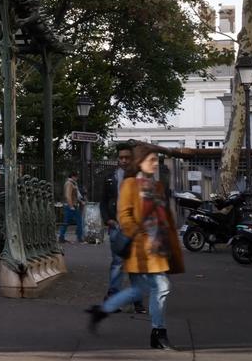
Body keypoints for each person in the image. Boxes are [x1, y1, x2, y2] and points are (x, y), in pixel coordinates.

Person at [87, 146, 185, 350]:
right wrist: (143, 236)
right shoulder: (130, 185)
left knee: (139, 289)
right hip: (141, 249)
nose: (155, 163)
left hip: (158, 248)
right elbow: (125, 216)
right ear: (140, 162)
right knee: (161, 286)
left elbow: (163, 217)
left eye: (157, 160)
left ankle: (103, 309)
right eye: (151, 159)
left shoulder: (157, 186)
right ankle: (158, 333)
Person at [101, 144, 146, 314]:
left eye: (127, 157)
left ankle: (137, 302)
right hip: (117, 227)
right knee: (118, 264)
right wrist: (108, 220)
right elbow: (103, 202)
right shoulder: (110, 177)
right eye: (121, 158)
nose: (124, 160)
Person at [58, 171, 84, 243]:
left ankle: (61, 236)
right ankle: (79, 237)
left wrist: (80, 201)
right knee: (78, 221)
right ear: (73, 176)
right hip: (71, 206)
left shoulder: (72, 183)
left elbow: (74, 195)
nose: (77, 178)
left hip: (71, 205)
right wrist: (71, 206)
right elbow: (68, 195)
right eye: (76, 177)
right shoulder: (69, 183)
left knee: (66, 222)